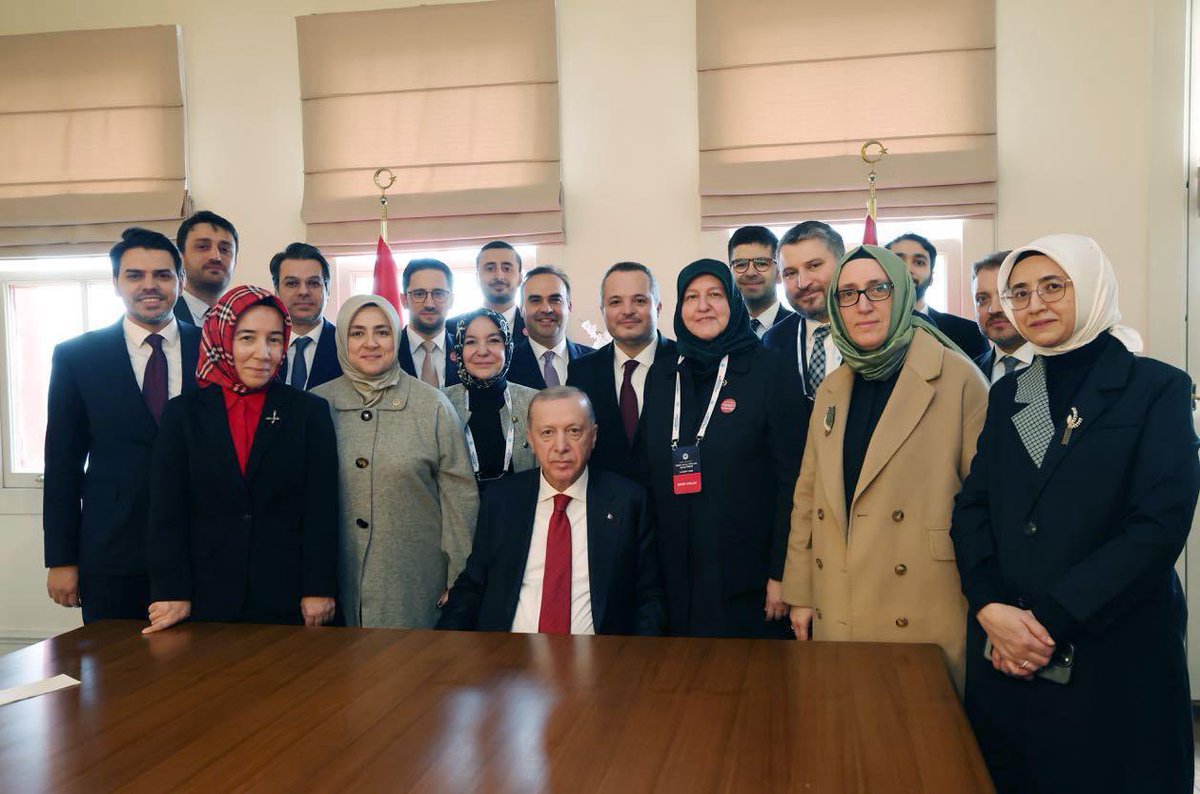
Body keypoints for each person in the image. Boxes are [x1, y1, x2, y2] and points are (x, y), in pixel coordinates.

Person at [951, 234, 1198, 793]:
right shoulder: (1013, 392)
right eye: (1020, 292)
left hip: (1111, 645)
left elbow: (1158, 524)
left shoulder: (1155, 387)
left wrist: (1048, 623)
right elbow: (974, 509)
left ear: (1090, 289)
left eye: (1052, 287)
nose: (1034, 304)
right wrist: (987, 602)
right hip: (1007, 644)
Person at [781, 245, 988, 688]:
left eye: (878, 289)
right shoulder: (834, 387)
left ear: (902, 296)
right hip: (839, 591)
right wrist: (799, 594)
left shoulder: (957, 377)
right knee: (845, 731)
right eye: (848, 294)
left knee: (918, 739)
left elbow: (988, 501)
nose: (864, 305)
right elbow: (808, 495)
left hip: (920, 595)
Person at [145, 286, 339, 632]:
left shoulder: (308, 411)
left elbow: (320, 508)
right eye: (247, 338)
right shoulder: (182, 415)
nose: (263, 353)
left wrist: (318, 587)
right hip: (203, 595)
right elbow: (166, 510)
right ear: (223, 339)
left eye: (275, 340)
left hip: (287, 595)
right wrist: (171, 589)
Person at [640, 259, 806, 638]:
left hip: (748, 577)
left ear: (733, 302)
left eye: (715, 294)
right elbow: (649, 473)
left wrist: (782, 574)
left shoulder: (770, 370)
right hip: (674, 576)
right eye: (691, 297)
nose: (703, 306)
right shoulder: (663, 376)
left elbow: (793, 483)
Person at [43, 227, 200, 624]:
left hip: (200, 548)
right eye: (135, 275)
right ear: (116, 283)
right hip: (112, 552)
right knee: (115, 678)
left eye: (163, 275)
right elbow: (62, 464)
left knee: (203, 677)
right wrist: (61, 559)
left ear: (180, 281)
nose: (150, 285)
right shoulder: (78, 357)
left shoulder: (212, 350)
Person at [437, 387, 665, 635]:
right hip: (508, 658)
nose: (561, 446)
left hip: (600, 661)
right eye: (547, 433)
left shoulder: (627, 501)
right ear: (531, 440)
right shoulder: (502, 500)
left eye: (574, 431)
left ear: (594, 436)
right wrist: (446, 646)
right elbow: (473, 584)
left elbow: (649, 598)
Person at [312, 295, 478, 629]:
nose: (370, 343)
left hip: (414, 583)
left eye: (382, 332)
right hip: (331, 587)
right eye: (357, 333)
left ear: (396, 338)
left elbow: (460, 500)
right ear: (342, 339)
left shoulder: (432, 406)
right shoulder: (316, 404)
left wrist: (460, 579)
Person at [568, 262, 675, 486]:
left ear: (658, 307)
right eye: (615, 302)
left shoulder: (686, 363)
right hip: (607, 507)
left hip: (676, 506)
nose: (627, 311)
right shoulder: (582, 372)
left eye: (639, 300)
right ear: (603, 310)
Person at [443, 308, 539, 491]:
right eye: (471, 342)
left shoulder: (534, 402)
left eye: (494, 340)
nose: (482, 351)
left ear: (508, 347)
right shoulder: (441, 404)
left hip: (523, 515)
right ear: (459, 350)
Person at [763, 221, 845, 401]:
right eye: (790, 273)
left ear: (843, 264)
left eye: (814, 265)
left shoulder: (870, 327)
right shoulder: (773, 341)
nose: (803, 283)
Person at [887, 232, 988, 359]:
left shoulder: (969, 333)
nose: (908, 269)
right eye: (898, 261)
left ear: (931, 278)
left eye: (919, 262)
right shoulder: (865, 331)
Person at [508, 266, 594, 389]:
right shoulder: (506, 366)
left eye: (555, 300)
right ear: (522, 310)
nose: (546, 309)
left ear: (569, 307)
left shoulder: (597, 363)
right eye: (535, 300)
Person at [271, 242, 342, 390]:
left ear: (328, 291)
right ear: (276, 292)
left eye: (313, 283)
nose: (303, 291)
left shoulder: (346, 346)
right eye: (292, 284)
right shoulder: (262, 346)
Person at [396, 258, 460, 388]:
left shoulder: (466, 351)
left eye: (439, 294)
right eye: (419, 294)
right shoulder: (388, 351)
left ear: (451, 300)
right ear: (404, 300)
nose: (429, 304)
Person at [969, 250, 1032, 383]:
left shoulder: (1065, 366)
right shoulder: (969, 373)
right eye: (982, 299)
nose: (994, 309)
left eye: (1007, 295)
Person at [448, 240, 527, 339]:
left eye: (506, 268)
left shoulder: (536, 327)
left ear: (520, 278)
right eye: (490, 268)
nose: (499, 276)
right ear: (477, 278)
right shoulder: (451, 329)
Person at [172, 210, 238, 325]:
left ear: (235, 261)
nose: (216, 257)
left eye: (224, 249)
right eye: (203, 246)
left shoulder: (248, 316)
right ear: (180, 258)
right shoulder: (163, 316)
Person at [728, 225, 793, 337]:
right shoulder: (722, 331)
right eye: (741, 264)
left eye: (762, 263)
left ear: (779, 273)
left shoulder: (800, 328)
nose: (750, 273)